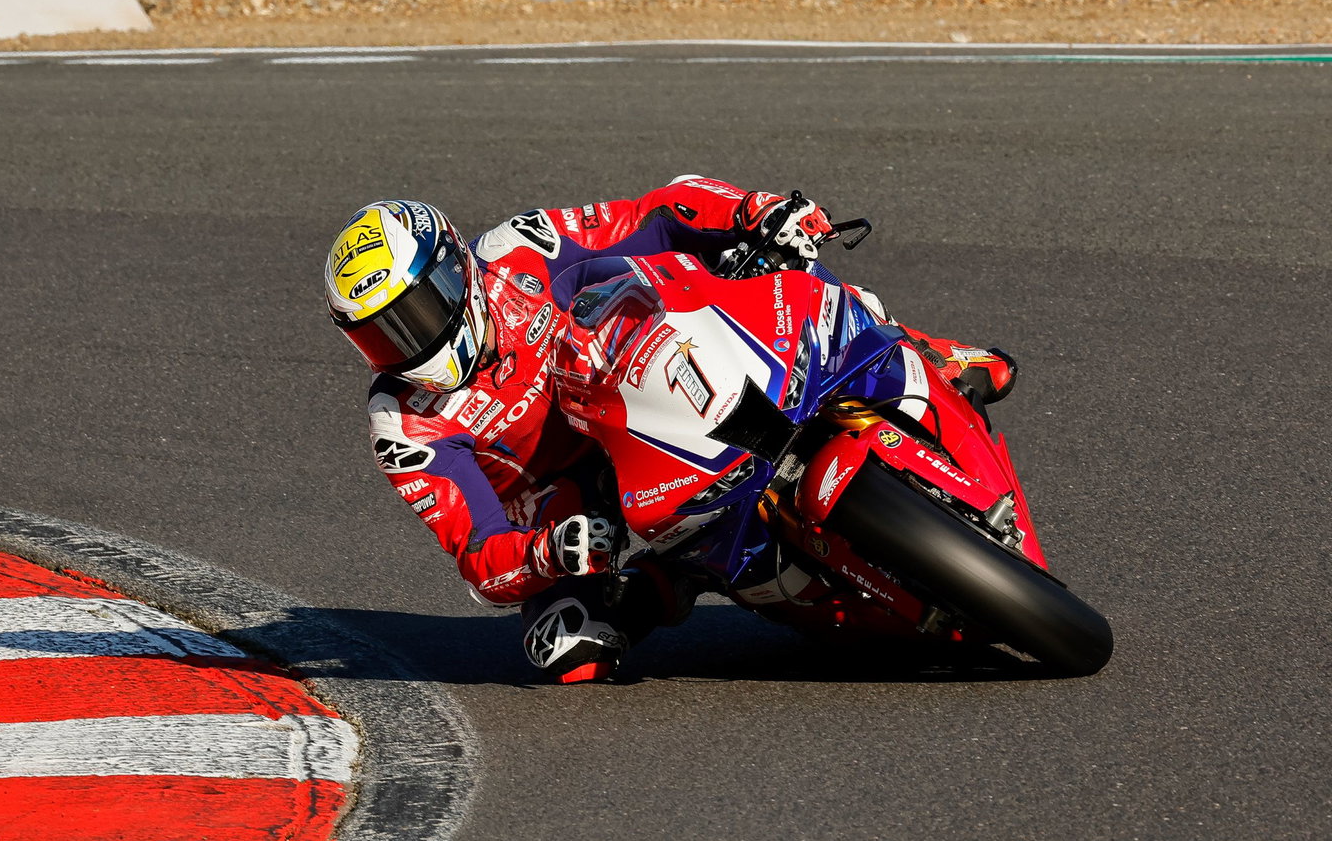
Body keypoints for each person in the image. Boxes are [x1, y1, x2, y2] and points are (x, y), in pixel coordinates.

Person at [323, 178, 1015, 683]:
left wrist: (754, 212)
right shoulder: (402, 421)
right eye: (381, 337)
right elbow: (478, 553)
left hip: (634, 371)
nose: (407, 346)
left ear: (452, 269)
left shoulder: (517, 250)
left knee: (766, 261)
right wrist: (552, 553)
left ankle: (914, 347)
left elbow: (652, 215)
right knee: (566, 650)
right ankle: (681, 577)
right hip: (585, 504)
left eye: (413, 314)